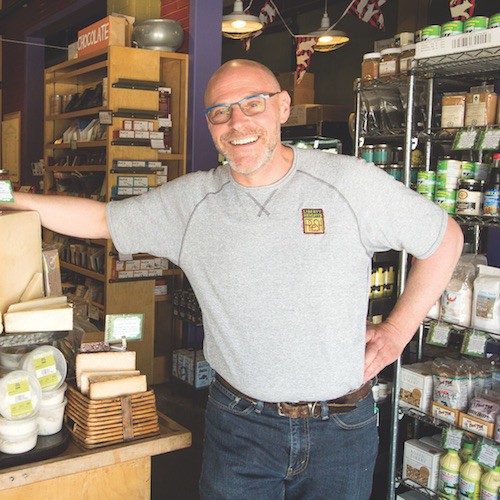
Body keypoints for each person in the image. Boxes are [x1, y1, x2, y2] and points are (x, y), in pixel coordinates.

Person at [2, 59, 463, 499]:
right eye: (220, 112)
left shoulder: (348, 183)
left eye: (253, 104)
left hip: (341, 425)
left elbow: (445, 239)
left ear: (282, 106)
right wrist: (8, 196)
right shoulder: (193, 203)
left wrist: (399, 331)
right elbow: (102, 220)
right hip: (241, 424)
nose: (237, 123)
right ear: (210, 126)